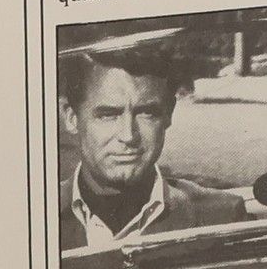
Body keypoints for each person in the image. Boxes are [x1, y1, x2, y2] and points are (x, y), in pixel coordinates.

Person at [58, 50, 247, 252]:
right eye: (107, 115)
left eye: (147, 113)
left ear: (168, 113)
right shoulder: (38, 215)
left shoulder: (221, 218)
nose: (128, 136)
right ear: (71, 118)